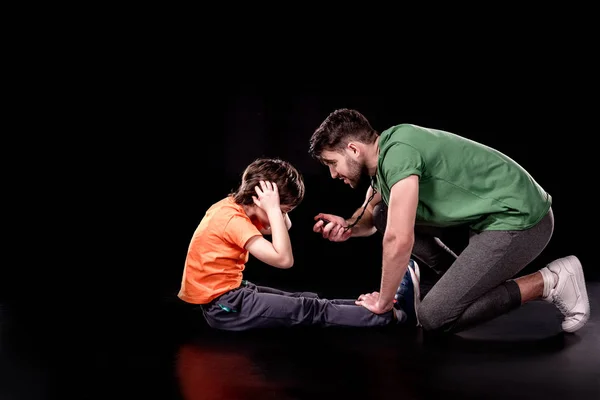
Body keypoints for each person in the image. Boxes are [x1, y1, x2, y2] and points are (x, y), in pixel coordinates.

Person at [308, 108, 590, 334]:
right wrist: (347, 226)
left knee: (435, 317)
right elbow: (372, 217)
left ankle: (550, 280)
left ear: (354, 150)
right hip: (491, 220)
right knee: (384, 213)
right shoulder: (386, 157)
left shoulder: (399, 155)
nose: (333, 174)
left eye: (333, 163)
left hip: (521, 220)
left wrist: (383, 301)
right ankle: (458, 283)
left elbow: (398, 238)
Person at [177, 157, 417, 331]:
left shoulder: (234, 205)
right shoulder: (232, 220)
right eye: (284, 210)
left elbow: (285, 227)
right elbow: (284, 259)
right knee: (309, 310)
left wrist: (274, 208)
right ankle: (393, 316)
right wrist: (273, 207)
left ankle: (379, 305)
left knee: (309, 299)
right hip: (225, 307)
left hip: (233, 293)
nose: (283, 216)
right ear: (260, 201)